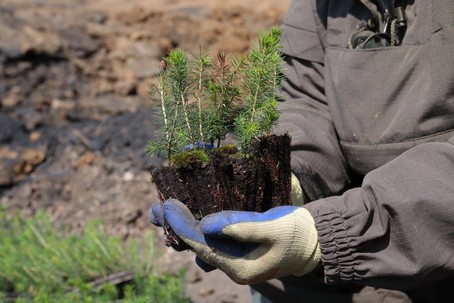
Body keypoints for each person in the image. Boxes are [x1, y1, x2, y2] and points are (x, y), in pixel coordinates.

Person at [149, 0, 454, 302]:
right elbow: (305, 101)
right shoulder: (321, 5)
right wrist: (285, 180)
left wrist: (328, 236)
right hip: (327, 279)